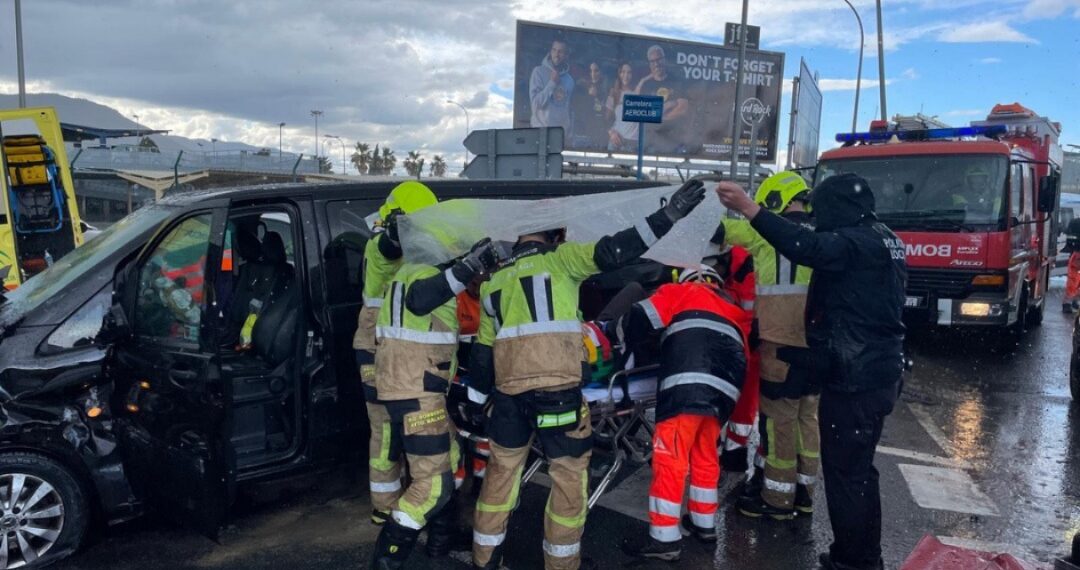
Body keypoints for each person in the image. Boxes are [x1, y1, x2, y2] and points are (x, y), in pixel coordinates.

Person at [467, 179, 708, 570]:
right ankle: (561, 564)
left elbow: (482, 353)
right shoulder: (563, 260)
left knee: (500, 477)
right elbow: (617, 248)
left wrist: (477, 403)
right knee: (567, 481)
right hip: (558, 395)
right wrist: (669, 216)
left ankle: (484, 559)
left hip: (510, 399)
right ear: (557, 234)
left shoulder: (494, 282)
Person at [716, 173, 907, 570]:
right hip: (870, 368)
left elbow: (806, 246)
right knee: (855, 470)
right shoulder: (884, 237)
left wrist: (749, 209)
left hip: (856, 376)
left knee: (849, 476)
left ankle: (855, 561)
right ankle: (855, 553)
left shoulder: (853, 242)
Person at [368, 239, 503, 569]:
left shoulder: (406, 272)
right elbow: (422, 299)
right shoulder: (427, 278)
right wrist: (472, 264)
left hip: (405, 390)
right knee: (431, 487)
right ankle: (385, 562)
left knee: (452, 455)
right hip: (417, 395)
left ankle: (440, 543)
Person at [617, 265, 748, 561]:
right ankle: (704, 525)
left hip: (687, 383)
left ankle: (664, 539)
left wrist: (624, 346)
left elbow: (638, 317)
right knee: (704, 455)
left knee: (671, 459)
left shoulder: (680, 292)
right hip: (724, 391)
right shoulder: (732, 306)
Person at [715, 171, 819, 520]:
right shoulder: (826, 236)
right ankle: (804, 493)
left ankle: (776, 499)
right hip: (816, 344)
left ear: (774, 201)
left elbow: (719, 232)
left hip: (779, 343)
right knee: (808, 418)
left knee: (778, 422)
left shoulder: (762, 234)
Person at [353, 181, 437, 525]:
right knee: (386, 429)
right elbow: (389, 248)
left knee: (397, 428)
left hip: (389, 349)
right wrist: (401, 230)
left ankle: (400, 498)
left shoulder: (417, 252)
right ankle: (386, 504)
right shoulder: (380, 246)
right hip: (376, 349)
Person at [706, 244, 759, 472]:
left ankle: (735, 451)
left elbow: (748, 317)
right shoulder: (726, 270)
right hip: (726, 341)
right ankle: (715, 445)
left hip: (750, 343)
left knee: (744, 402)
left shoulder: (750, 271)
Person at [635, 45, 690, 154]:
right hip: (650, 141)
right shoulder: (646, 84)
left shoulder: (677, 81)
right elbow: (639, 110)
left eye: (658, 59)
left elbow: (683, 108)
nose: (656, 64)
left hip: (673, 141)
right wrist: (669, 105)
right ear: (649, 64)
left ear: (664, 60)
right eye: (652, 61)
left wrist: (656, 115)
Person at [530, 38, 574, 130]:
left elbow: (568, 109)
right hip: (540, 133)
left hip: (560, 136)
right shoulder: (538, 72)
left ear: (566, 55)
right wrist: (552, 83)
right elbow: (535, 105)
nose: (556, 55)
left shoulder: (569, 80)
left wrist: (568, 133)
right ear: (550, 51)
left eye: (561, 52)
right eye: (554, 50)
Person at [570, 62, 608, 148]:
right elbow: (579, 109)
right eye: (590, 71)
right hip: (582, 133)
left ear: (601, 72)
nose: (593, 74)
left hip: (598, 135)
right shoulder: (580, 86)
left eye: (596, 71)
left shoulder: (605, 88)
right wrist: (590, 96)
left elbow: (606, 113)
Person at [605, 62, 639, 153]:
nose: (626, 75)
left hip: (632, 142)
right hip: (616, 141)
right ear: (619, 74)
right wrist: (611, 133)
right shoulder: (614, 92)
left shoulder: (639, 92)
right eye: (623, 72)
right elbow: (606, 118)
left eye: (629, 72)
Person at [1064, 218, 1080, 313]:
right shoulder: (1076, 222)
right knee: (1074, 281)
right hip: (1077, 254)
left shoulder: (1074, 222)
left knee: (1073, 280)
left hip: (1076, 254)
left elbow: (1068, 238)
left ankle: (1069, 302)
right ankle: (1071, 302)